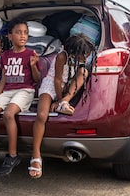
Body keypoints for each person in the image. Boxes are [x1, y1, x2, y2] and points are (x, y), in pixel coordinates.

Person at [0, 18, 41, 176]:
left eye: (25, 33)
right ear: (10, 36)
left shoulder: (31, 54)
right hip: (7, 90)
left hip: (25, 90)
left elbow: (37, 80)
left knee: (9, 114)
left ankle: (12, 155)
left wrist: (33, 66)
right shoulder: (5, 55)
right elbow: (3, 78)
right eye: (18, 32)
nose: (22, 36)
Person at [28, 33, 96, 179]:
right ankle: (36, 155)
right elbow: (57, 80)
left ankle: (66, 100)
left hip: (66, 85)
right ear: (72, 52)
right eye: (83, 55)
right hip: (51, 84)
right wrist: (57, 101)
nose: (85, 58)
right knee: (41, 115)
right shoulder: (62, 56)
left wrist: (62, 99)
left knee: (83, 72)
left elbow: (74, 76)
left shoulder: (81, 57)